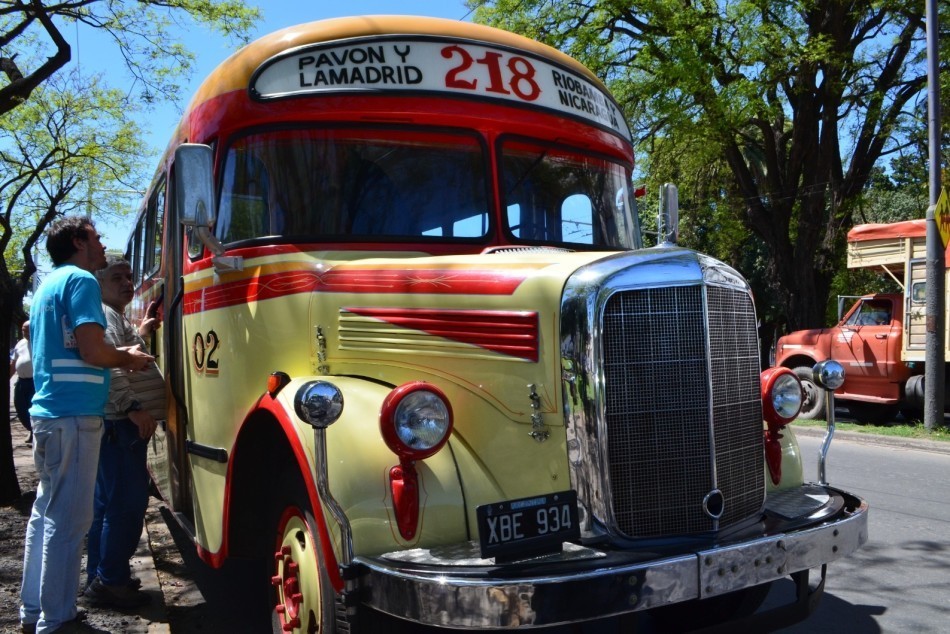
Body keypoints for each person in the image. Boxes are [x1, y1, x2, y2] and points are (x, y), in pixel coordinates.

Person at [19, 216, 153, 634]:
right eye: (95, 238)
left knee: (45, 515)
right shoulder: (81, 280)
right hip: (75, 415)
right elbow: (94, 351)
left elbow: (74, 345)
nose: (101, 244)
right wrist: (128, 358)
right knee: (70, 521)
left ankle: (31, 612)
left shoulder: (48, 284)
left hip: (50, 413)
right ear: (78, 241)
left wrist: (118, 350)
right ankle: (56, 621)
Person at [84, 256, 162, 609]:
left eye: (130, 276)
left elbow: (122, 352)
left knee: (106, 506)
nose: (128, 282)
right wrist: (133, 408)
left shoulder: (112, 314)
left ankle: (100, 576)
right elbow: (109, 364)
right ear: (99, 283)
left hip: (115, 425)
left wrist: (142, 333)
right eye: (118, 277)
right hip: (120, 425)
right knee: (127, 505)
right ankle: (111, 583)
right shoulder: (105, 313)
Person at [9, 320, 34, 444]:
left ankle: (33, 432)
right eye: (23, 331)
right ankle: (30, 428)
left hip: (35, 382)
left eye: (27, 331)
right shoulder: (20, 343)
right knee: (20, 408)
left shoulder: (40, 342)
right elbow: (13, 364)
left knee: (32, 408)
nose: (25, 333)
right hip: (21, 382)